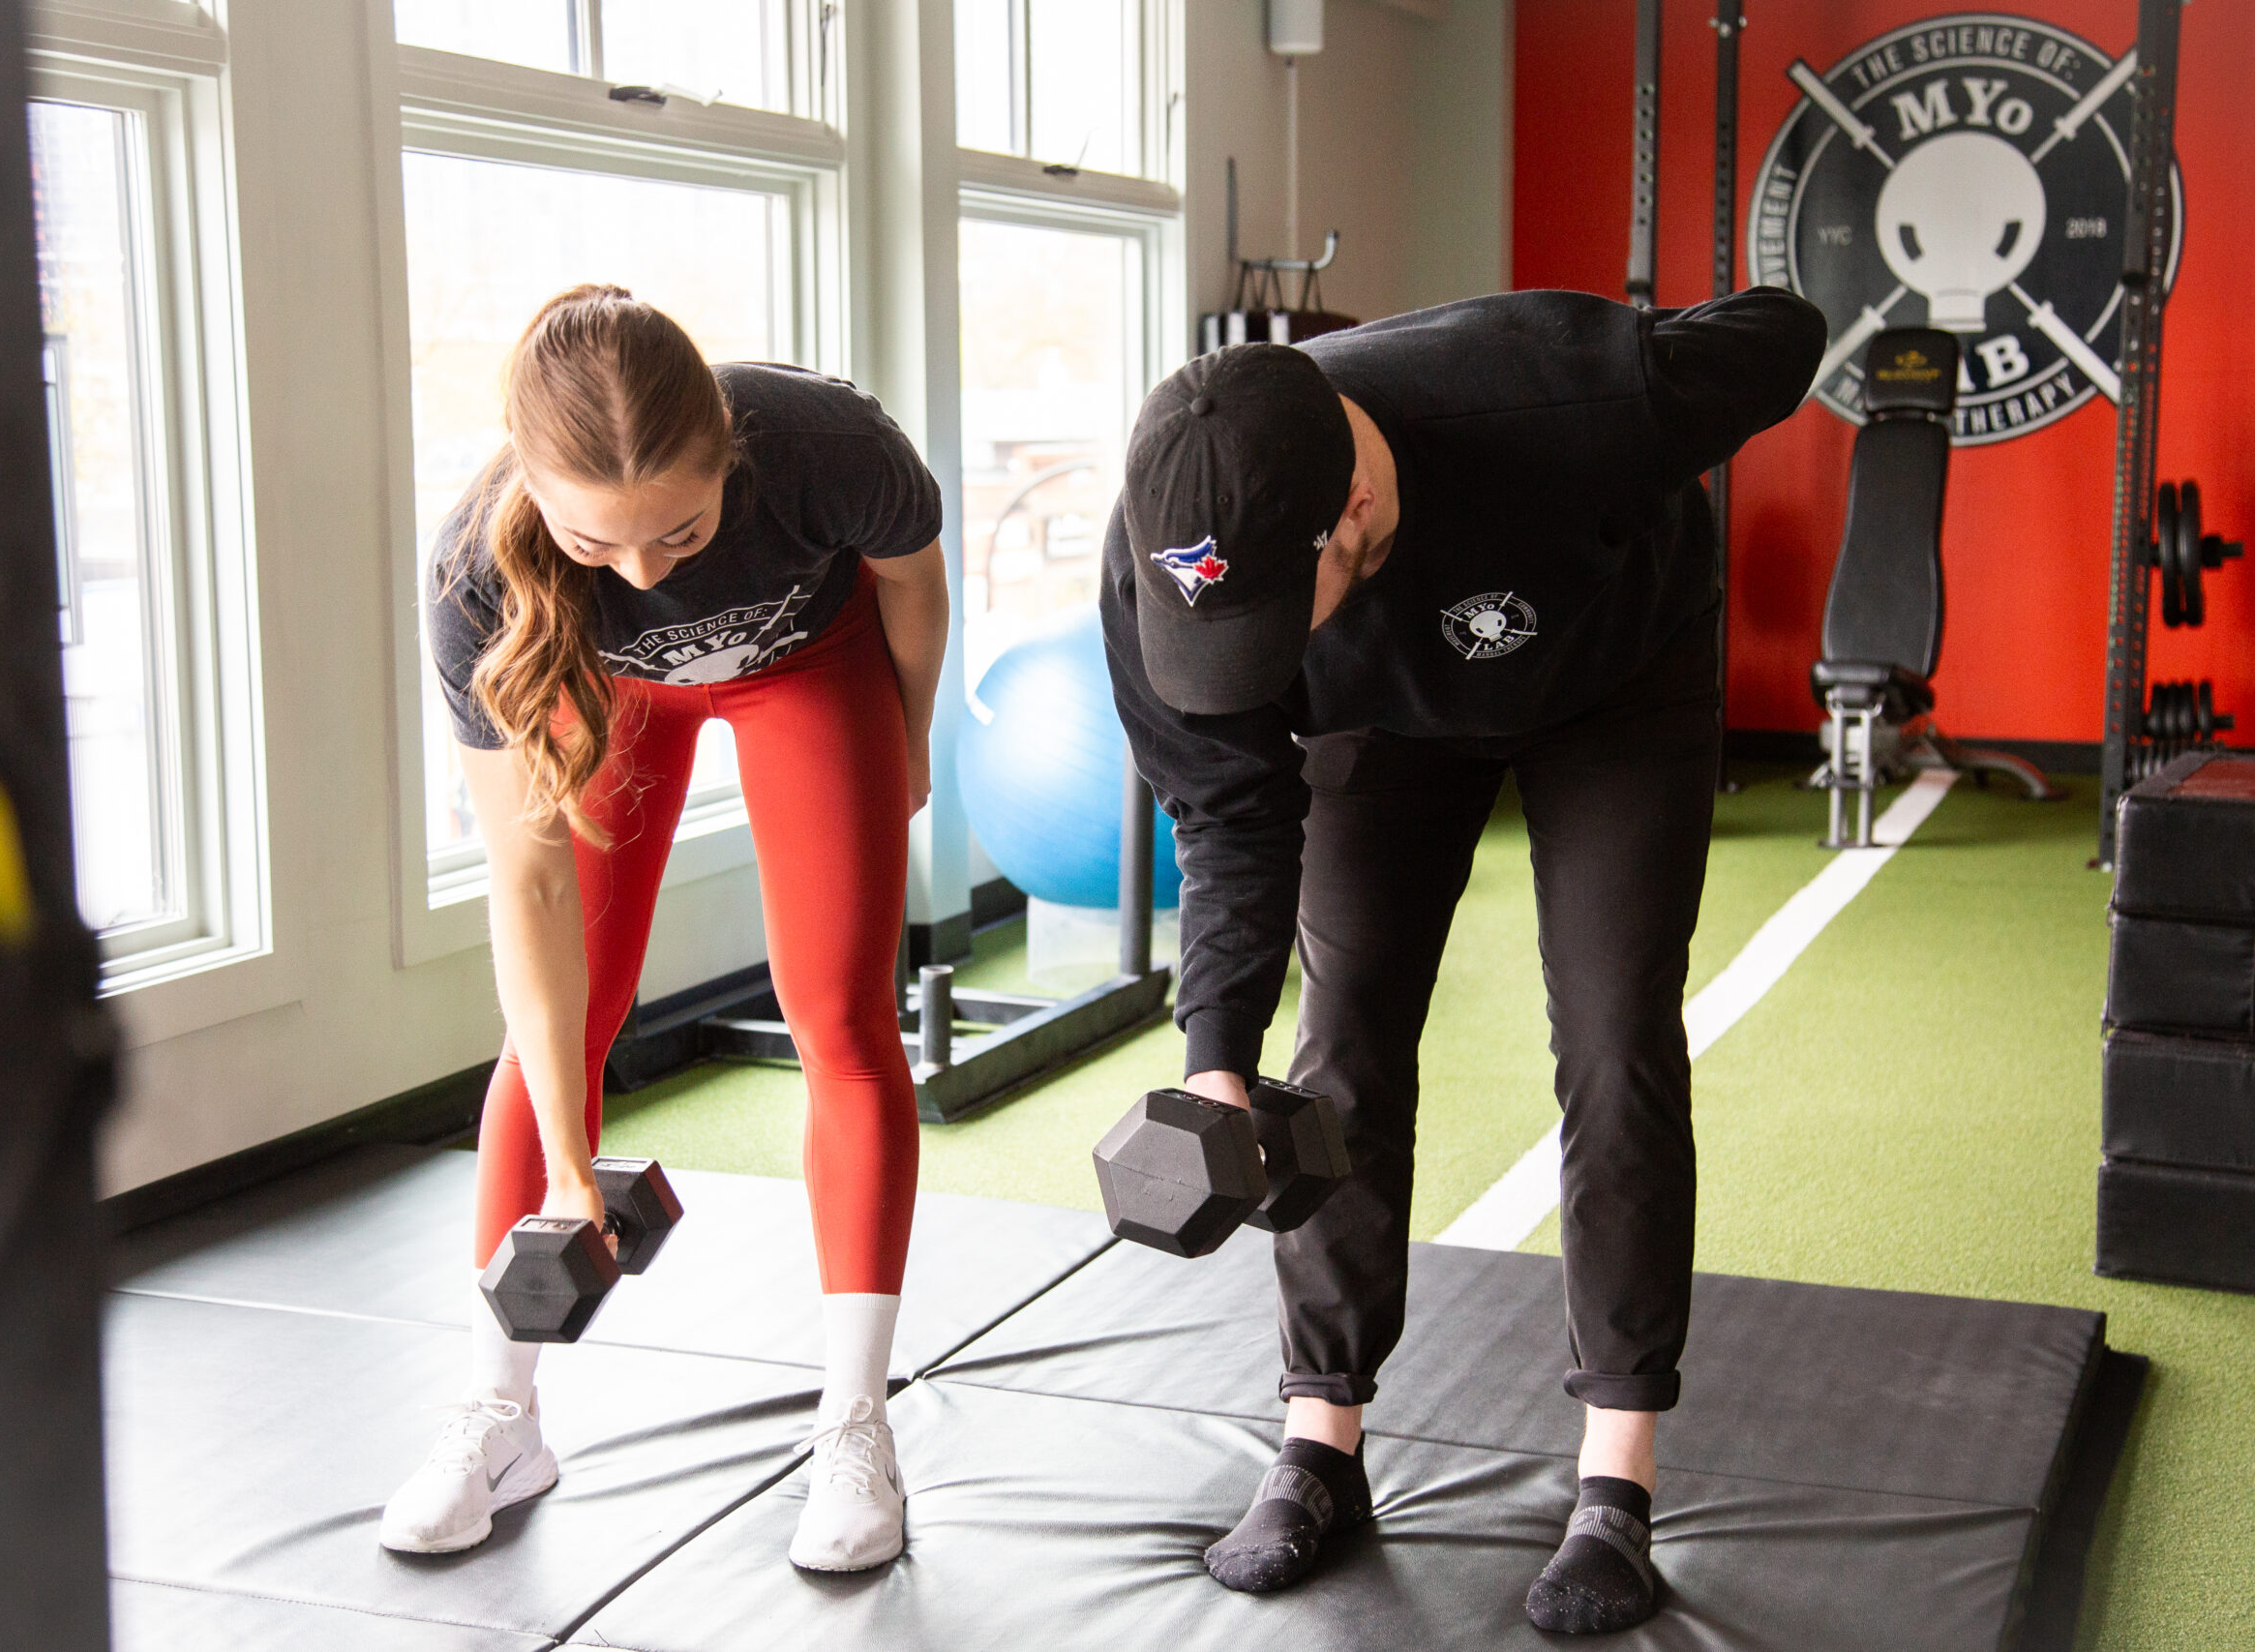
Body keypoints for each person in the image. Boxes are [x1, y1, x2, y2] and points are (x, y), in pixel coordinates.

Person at [1102, 285, 1825, 1632]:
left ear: (1357, 510)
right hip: (1380, 723)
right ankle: (1321, 1438)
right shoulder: (1169, 557)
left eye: (1275, 609)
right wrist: (1213, 1067)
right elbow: (1229, 818)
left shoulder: (1559, 407)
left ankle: (1616, 1474)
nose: (1241, 647)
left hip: (1614, 681)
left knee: (1615, 1039)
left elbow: (1784, 333)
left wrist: (1642, 368)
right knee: (1343, 1041)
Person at [379, 286, 946, 1574]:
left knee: (841, 1019)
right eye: (600, 545)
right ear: (534, 490)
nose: (645, 570)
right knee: (554, 1038)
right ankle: (501, 1416)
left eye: (682, 529)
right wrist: (574, 1171)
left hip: (809, 663)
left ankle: (856, 1425)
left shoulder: (825, 445)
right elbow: (523, 890)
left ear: (730, 459)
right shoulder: (479, 574)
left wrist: (909, 732)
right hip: (606, 695)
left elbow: (913, 580)